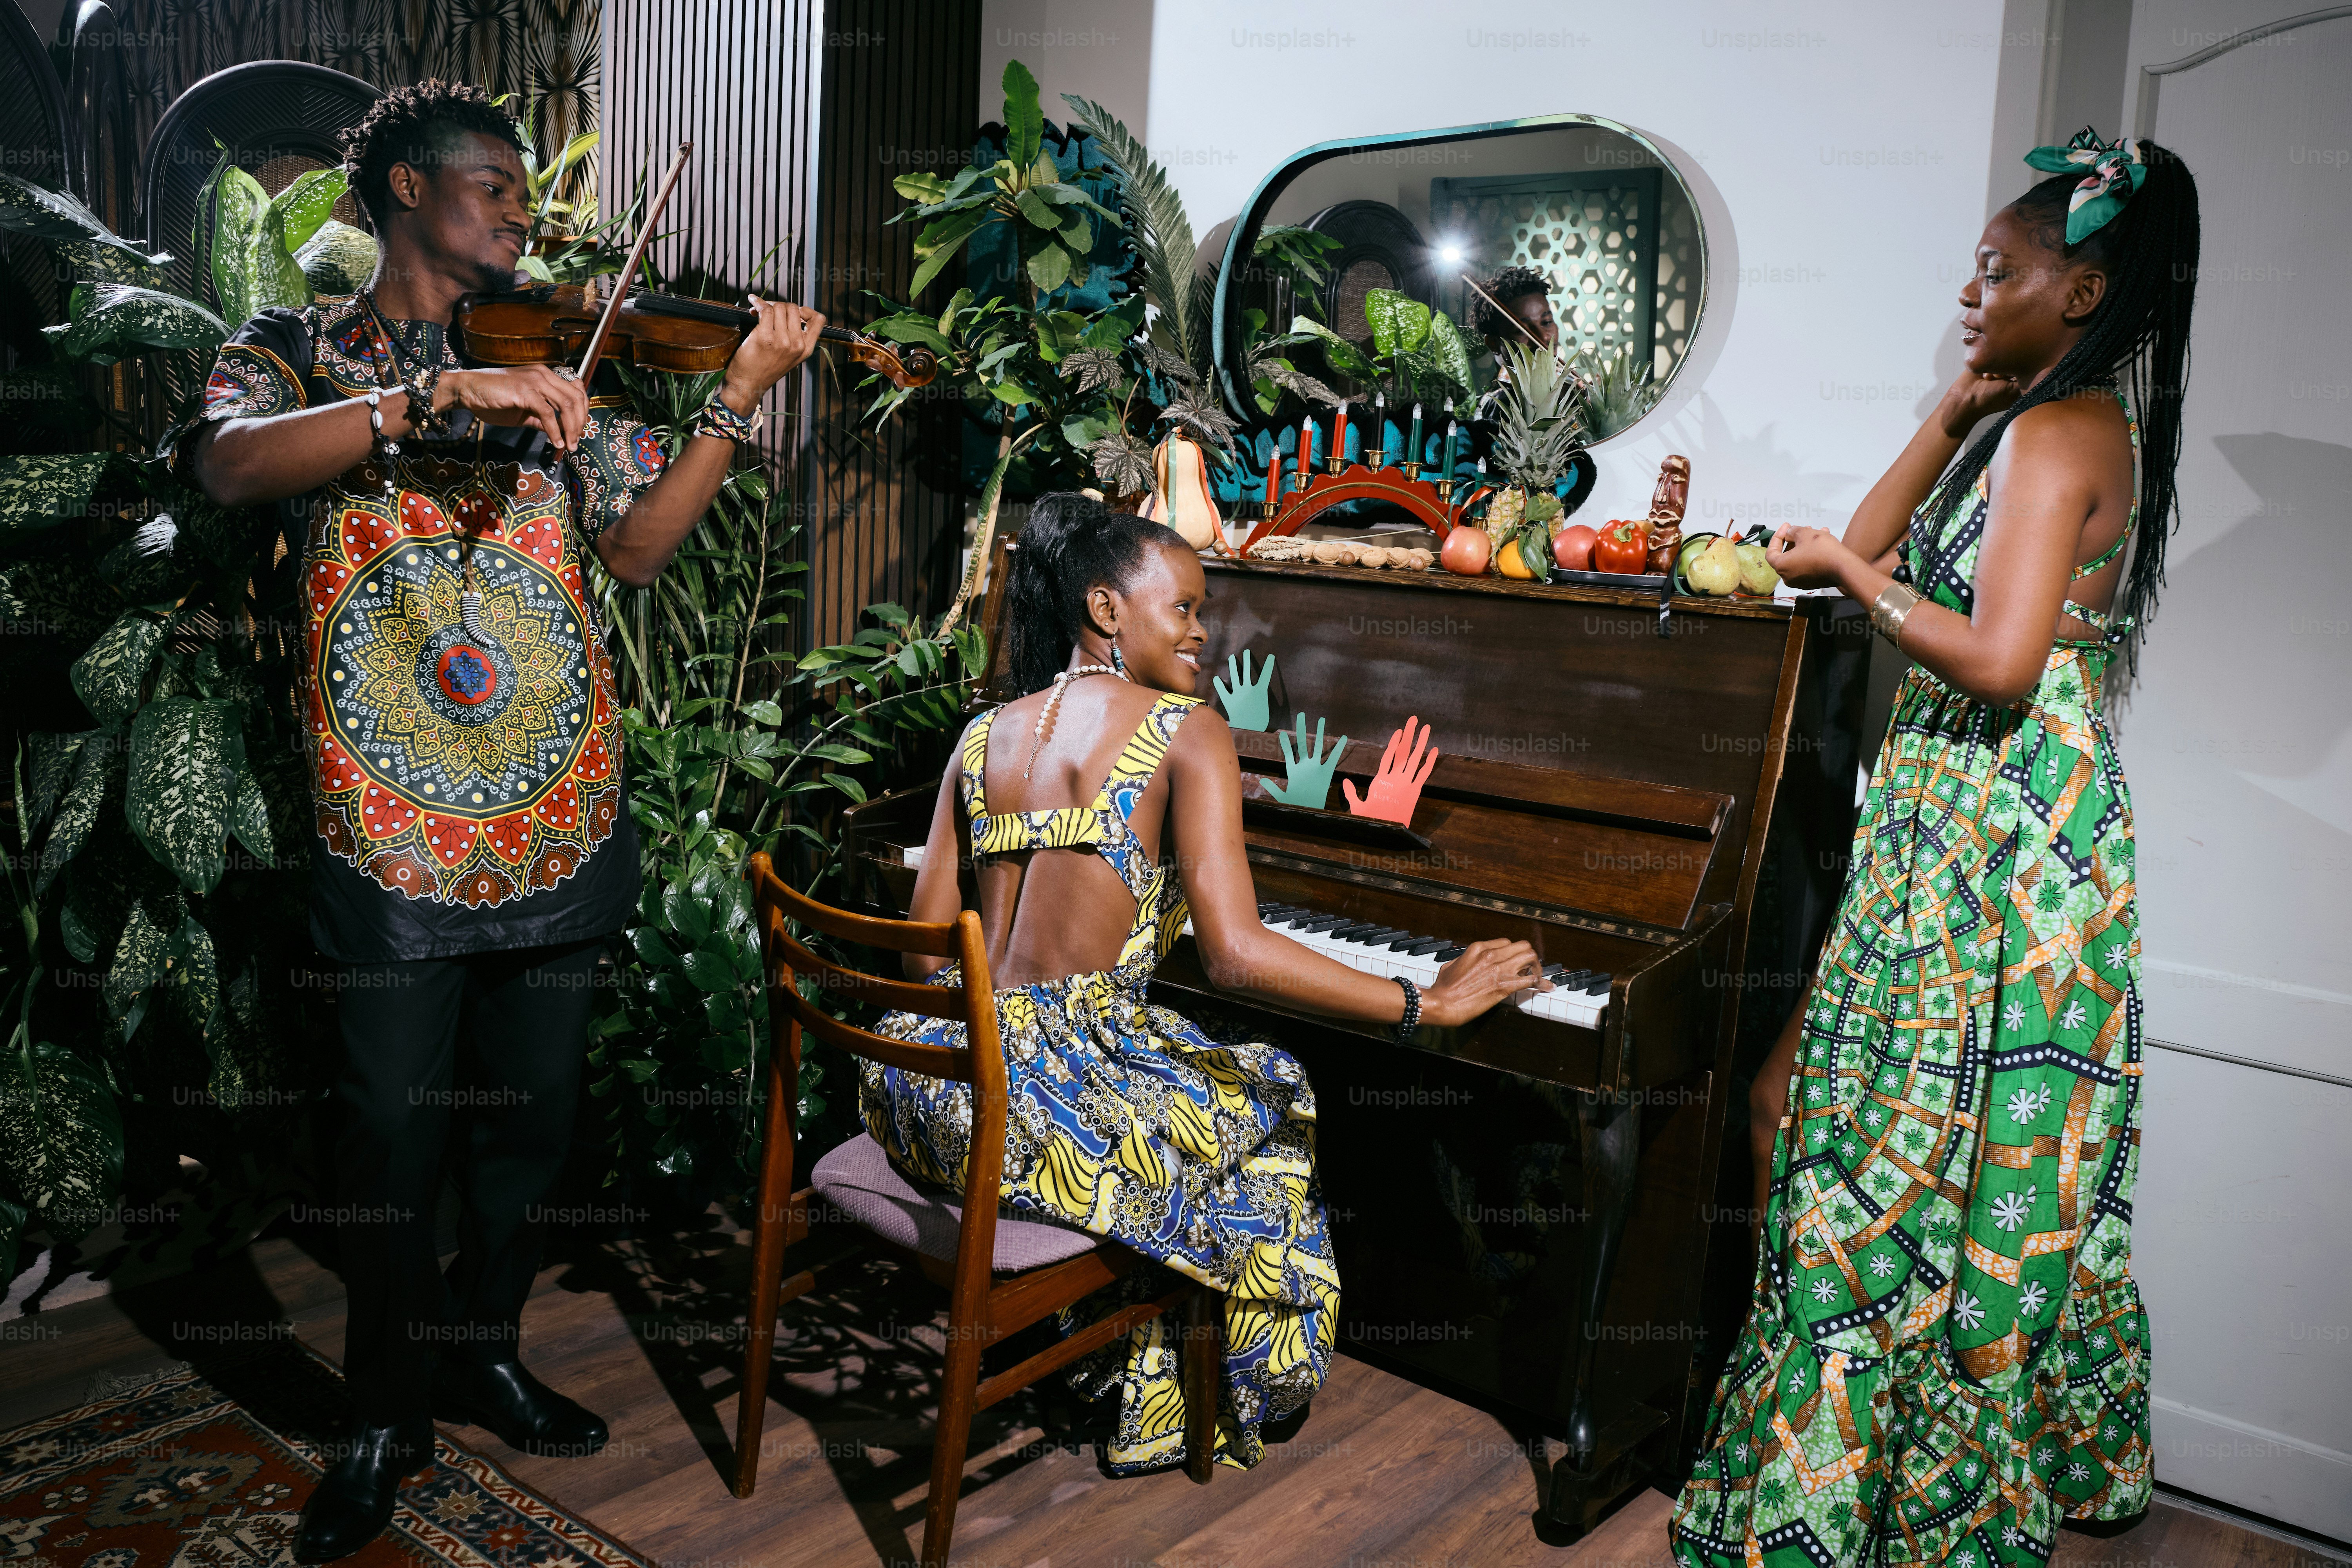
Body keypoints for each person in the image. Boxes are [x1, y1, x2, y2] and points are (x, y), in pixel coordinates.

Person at [171, 81, 824, 1563]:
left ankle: (483, 1345)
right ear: (406, 190)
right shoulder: (294, 351)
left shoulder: (558, 364)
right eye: (497, 191)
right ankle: (382, 1408)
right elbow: (223, 467)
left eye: (525, 199)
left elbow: (644, 548)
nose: (524, 219)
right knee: (394, 1133)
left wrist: (734, 400)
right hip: (389, 825)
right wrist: (422, 403)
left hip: (559, 809)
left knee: (526, 1130)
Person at [1671, 131, 2198, 1567]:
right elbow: (1872, 537)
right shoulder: (2023, 421)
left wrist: (1847, 578)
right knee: (1825, 1121)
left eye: (1997, 272)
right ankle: (1854, 1480)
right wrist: (1949, 415)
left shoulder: (2071, 430)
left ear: (2080, 293)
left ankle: (1900, 1503)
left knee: (1907, 1166)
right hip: (1953, 839)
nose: (1971, 294)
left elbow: (2003, 659)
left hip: (2011, 846)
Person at [863, 495, 1550, 1474]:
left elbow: (927, 955)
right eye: (1183, 608)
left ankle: (1107, 1347)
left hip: (937, 1087)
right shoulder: (1187, 730)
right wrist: (1422, 1001)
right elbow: (1234, 954)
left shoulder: (982, 737)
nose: (1202, 633)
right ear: (1106, 608)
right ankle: (1203, 1391)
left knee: (1179, 1094)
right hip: (1042, 1112)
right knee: (1274, 1098)